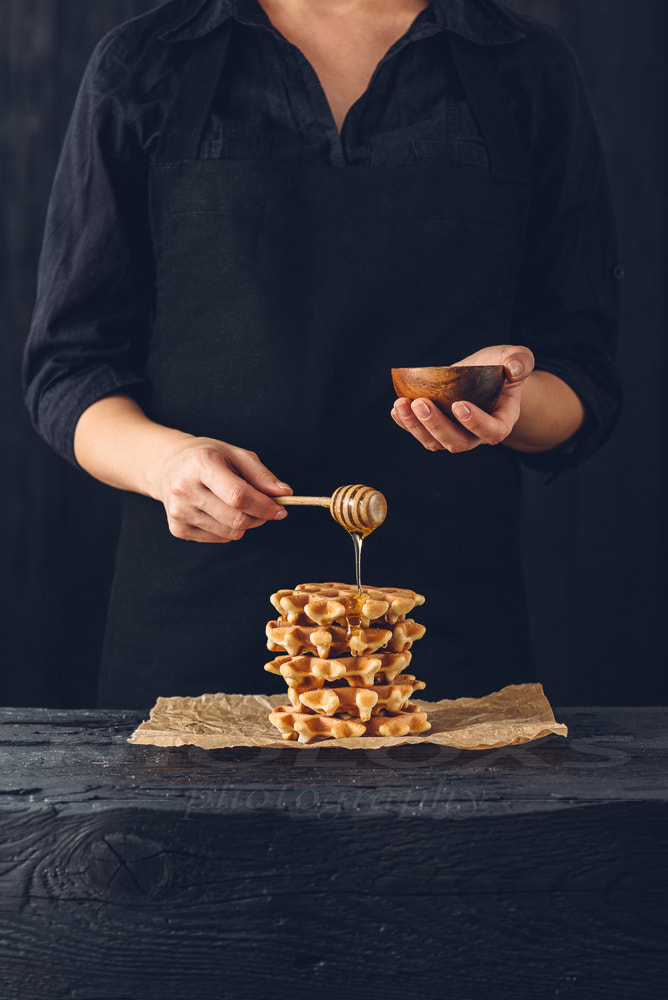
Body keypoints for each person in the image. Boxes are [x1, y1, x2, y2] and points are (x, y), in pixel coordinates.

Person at [23, 0, 622, 708]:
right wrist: (165, 464)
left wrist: (512, 402)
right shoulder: (147, 61)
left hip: (446, 638)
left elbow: (583, 371)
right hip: (192, 635)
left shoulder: (526, 66)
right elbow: (70, 368)